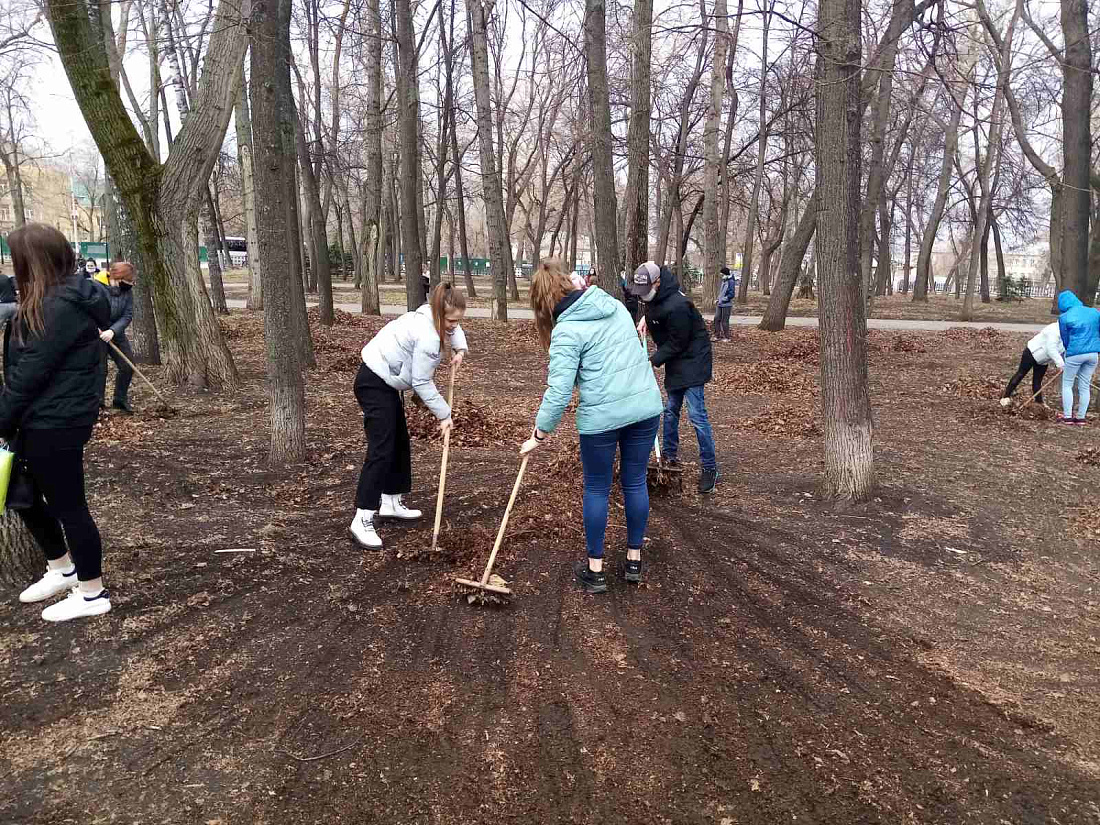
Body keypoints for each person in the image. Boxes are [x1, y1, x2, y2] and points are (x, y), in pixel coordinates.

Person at [520, 258, 663, 593]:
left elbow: (558, 393)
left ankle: (596, 570)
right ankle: (633, 561)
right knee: (634, 482)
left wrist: (538, 435)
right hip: (644, 407)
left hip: (602, 419)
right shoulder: (611, 304)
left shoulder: (567, 331)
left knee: (597, 488)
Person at [0, 223, 112, 621]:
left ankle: (93, 593)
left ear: (35, 261)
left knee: (69, 506)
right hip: (39, 417)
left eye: (18, 260)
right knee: (24, 497)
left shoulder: (60, 305)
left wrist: (2, 418)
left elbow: (31, 371)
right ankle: (62, 567)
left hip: (56, 420)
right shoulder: (49, 298)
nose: (14, 268)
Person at [350, 282, 468, 549]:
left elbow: (456, 327)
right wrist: (444, 414)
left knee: (399, 440)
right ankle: (362, 517)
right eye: (450, 320)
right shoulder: (426, 335)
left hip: (388, 382)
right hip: (373, 381)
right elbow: (422, 382)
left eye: (457, 320)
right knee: (381, 447)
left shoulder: (434, 314)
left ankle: (391, 501)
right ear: (439, 313)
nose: (453, 325)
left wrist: (460, 350)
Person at [628, 261, 719, 494]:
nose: (642, 297)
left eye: (646, 290)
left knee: (697, 415)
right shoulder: (656, 298)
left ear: (657, 283)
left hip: (693, 360)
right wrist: (645, 320)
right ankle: (669, 457)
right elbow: (656, 311)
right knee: (670, 410)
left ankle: (710, 467)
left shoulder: (679, 304)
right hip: (677, 360)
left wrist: (652, 360)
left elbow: (677, 341)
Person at [1056, 290, 1100, 425]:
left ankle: (1068, 417)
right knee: (1084, 386)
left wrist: (1069, 351)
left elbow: (1065, 338)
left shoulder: (1064, 317)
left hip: (1074, 353)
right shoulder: (1094, 312)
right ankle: (1081, 417)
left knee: (1067, 384)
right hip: (1093, 354)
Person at [97, 261, 135, 413]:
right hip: (97, 333)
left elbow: (128, 314)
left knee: (128, 366)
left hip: (115, 333)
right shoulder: (96, 286)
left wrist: (113, 331)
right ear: (117, 277)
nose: (130, 285)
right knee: (100, 369)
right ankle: (97, 402)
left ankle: (120, 400)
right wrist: (98, 329)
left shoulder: (127, 291)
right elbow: (84, 310)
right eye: (127, 281)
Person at [999, 322, 1064, 406]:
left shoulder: (1069, 333)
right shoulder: (1054, 329)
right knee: (1020, 374)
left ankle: (1039, 402)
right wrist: (1060, 363)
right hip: (1032, 352)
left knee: (1037, 381)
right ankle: (1006, 396)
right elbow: (1051, 348)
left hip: (1044, 359)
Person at [713, 266, 736, 341]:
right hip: (719, 304)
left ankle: (727, 337)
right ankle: (717, 335)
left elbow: (731, 294)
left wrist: (723, 299)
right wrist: (718, 299)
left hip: (726, 305)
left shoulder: (731, 282)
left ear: (725, 274)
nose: (721, 276)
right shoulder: (724, 281)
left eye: (722, 274)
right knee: (716, 319)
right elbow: (722, 292)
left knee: (725, 321)